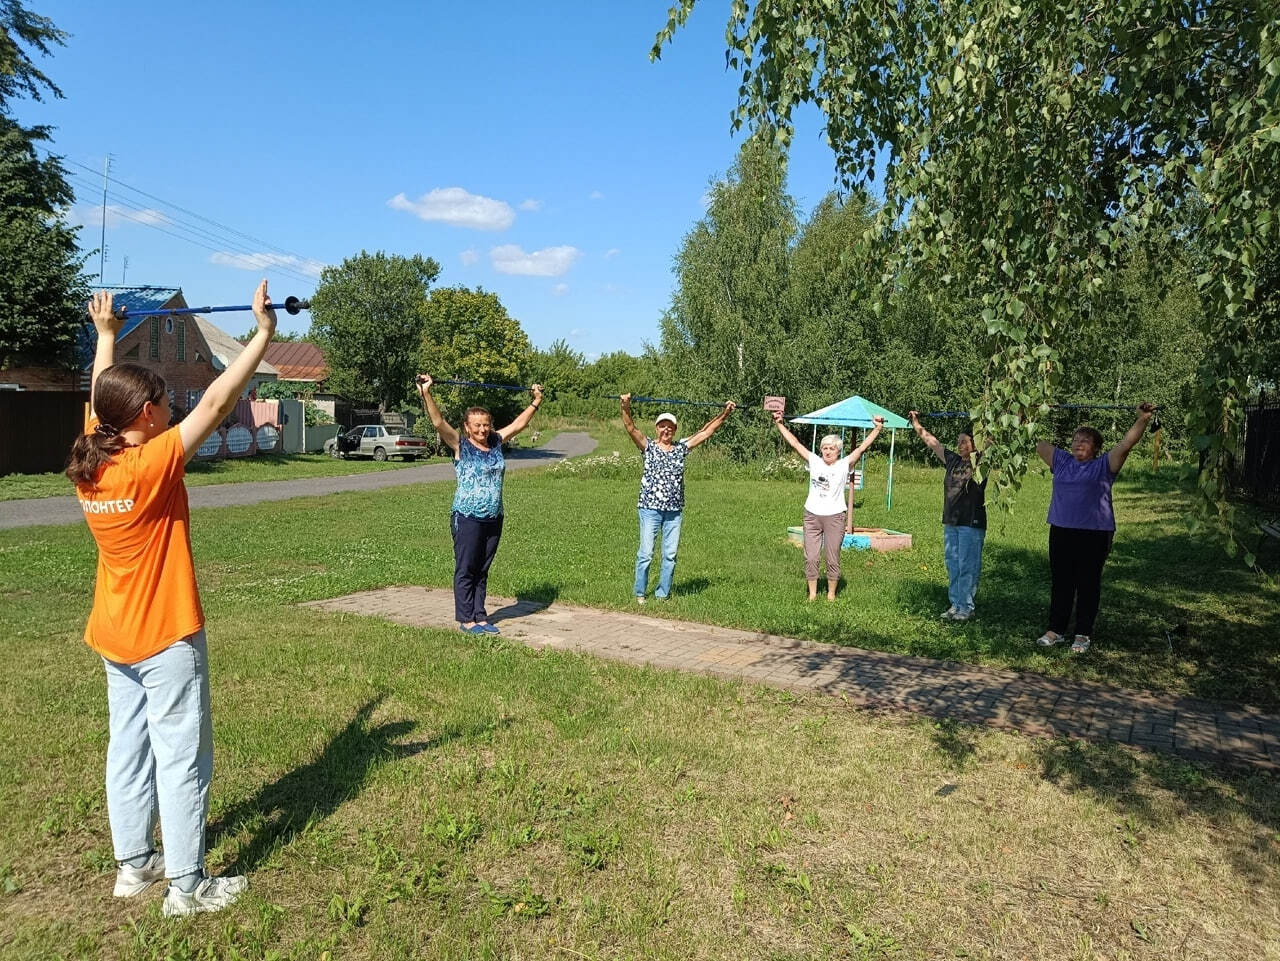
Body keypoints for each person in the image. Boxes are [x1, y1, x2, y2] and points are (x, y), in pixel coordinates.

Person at [66, 281, 277, 916]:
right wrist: (262, 332)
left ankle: (134, 867)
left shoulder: (93, 457)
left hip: (115, 636)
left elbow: (102, 397)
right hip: (164, 638)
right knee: (181, 757)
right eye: (160, 400)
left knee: (127, 748)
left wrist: (106, 337)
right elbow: (217, 400)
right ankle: (188, 886)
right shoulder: (148, 464)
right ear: (149, 417)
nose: (167, 405)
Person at [417, 374, 543, 634]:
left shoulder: (496, 442)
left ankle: (480, 615)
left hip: (494, 518)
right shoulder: (460, 445)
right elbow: (438, 422)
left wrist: (536, 401)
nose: (482, 430)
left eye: (486, 425)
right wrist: (426, 392)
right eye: (477, 426)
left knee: (483, 569)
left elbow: (518, 426)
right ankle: (466, 619)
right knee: (467, 568)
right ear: (466, 427)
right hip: (467, 517)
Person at [1033, 404, 1157, 653]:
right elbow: (1034, 440)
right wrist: (1022, 415)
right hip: (1061, 530)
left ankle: (1083, 633)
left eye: (1085, 441)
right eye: (1076, 439)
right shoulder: (1062, 461)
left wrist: (1143, 420)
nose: (1079, 443)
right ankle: (1056, 629)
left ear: (1096, 447)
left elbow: (1126, 444)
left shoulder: (1104, 465)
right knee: (1061, 581)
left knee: (1088, 583)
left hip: (1094, 533)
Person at [621, 394, 735, 602]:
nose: (666, 430)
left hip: (674, 512)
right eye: (663, 426)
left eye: (670, 427)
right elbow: (630, 427)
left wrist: (725, 413)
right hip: (649, 509)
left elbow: (706, 431)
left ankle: (662, 595)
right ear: (657, 428)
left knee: (670, 556)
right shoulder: (648, 446)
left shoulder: (681, 448)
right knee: (646, 554)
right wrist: (625, 406)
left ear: (674, 430)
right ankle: (640, 593)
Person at [772, 411, 885, 600]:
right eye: (824, 447)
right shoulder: (815, 462)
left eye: (831, 448)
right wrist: (779, 423)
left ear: (838, 451)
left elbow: (862, 448)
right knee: (811, 557)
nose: (827, 451)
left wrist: (878, 428)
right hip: (812, 515)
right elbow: (795, 444)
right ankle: (812, 595)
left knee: (832, 557)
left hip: (835, 516)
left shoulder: (844, 465)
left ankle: (831, 594)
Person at [907, 411, 988, 621]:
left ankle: (967, 607)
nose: (960, 445)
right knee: (953, 563)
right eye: (958, 441)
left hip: (971, 521)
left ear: (975, 444)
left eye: (964, 441)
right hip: (951, 520)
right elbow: (933, 443)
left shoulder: (981, 461)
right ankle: (956, 603)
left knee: (968, 565)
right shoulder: (952, 460)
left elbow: (993, 438)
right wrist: (916, 423)